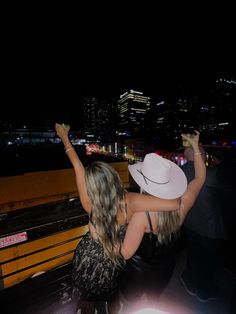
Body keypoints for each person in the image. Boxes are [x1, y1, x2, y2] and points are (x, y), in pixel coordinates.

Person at [55, 123, 205, 313]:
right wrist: (196, 148)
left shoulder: (122, 211)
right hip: (155, 268)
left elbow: (79, 168)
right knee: (129, 296)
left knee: (105, 298)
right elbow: (197, 181)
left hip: (111, 264)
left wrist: (65, 139)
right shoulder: (161, 204)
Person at [118, 132, 206, 312]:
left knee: (130, 301)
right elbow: (199, 179)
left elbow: (125, 253)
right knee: (153, 300)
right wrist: (195, 146)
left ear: (144, 184)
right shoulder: (181, 206)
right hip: (164, 270)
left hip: (136, 273)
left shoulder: (141, 215)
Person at [180, 146, 226, 303]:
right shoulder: (211, 174)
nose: (205, 155)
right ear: (195, 154)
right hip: (209, 227)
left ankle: (191, 283)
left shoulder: (180, 172)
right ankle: (204, 292)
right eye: (203, 152)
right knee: (208, 262)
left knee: (194, 256)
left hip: (189, 224)